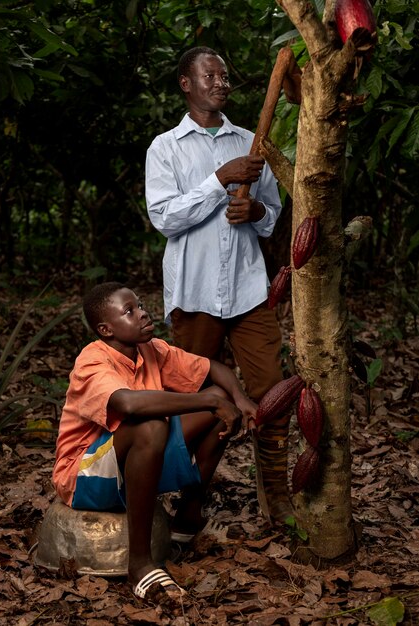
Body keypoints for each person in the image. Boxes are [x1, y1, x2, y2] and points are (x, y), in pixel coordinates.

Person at [145, 46, 290, 521]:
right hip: (195, 294)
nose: (221, 83)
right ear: (187, 84)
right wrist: (218, 181)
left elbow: (272, 217)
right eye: (210, 76)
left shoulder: (252, 141)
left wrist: (258, 211)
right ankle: (189, 505)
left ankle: (279, 504)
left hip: (250, 292)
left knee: (272, 396)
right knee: (198, 408)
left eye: (225, 76)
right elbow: (165, 218)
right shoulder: (165, 147)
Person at [52, 281, 257, 600]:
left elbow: (213, 369)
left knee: (216, 398)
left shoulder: (151, 349)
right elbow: (130, 404)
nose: (144, 314)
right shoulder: (92, 361)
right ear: (106, 329)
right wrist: (212, 402)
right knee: (152, 424)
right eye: (129, 311)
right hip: (84, 476)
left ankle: (187, 520)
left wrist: (239, 399)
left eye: (141, 306)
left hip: (133, 462)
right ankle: (140, 564)